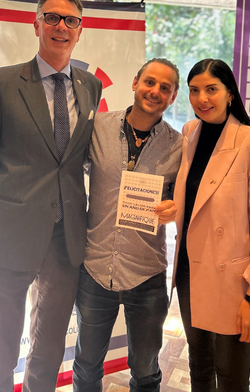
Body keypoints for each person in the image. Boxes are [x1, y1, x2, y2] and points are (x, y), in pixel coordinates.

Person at [0, 0, 103, 392]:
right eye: (52, 17)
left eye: (71, 20)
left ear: (80, 31)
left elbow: (79, 157)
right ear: (36, 24)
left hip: (65, 238)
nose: (61, 26)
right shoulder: (1, 83)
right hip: (7, 236)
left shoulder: (91, 87)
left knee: (50, 342)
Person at [72, 58, 183, 392]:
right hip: (95, 268)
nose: (155, 91)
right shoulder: (97, 127)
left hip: (146, 275)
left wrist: (175, 209)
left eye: (165, 87)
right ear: (135, 83)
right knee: (86, 366)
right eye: (150, 82)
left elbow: (186, 200)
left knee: (146, 371)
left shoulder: (179, 146)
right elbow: (68, 171)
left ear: (173, 96)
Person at [173, 58, 250, 392]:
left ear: (230, 93)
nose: (202, 99)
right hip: (190, 270)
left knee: (232, 378)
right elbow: (195, 200)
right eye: (194, 90)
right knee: (199, 368)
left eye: (211, 89)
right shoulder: (189, 133)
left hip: (235, 281)